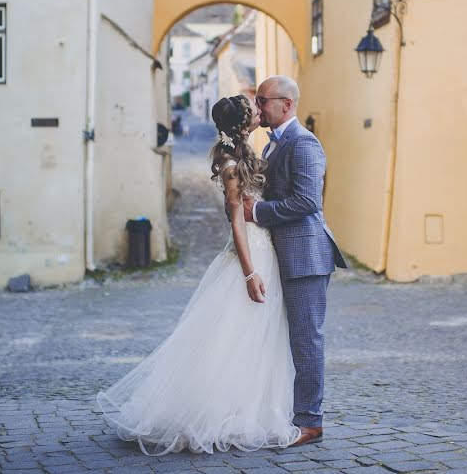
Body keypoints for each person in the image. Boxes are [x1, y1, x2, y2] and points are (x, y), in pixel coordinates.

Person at [97, 94, 301, 456]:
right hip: (251, 255)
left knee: (256, 339)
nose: (259, 108)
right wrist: (250, 272)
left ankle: (248, 408)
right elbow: (236, 219)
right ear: (243, 123)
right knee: (234, 335)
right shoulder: (229, 162)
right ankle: (222, 413)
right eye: (253, 108)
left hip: (266, 249)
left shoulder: (244, 153)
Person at [243, 75, 347, 446]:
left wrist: (257, 211)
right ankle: (289, 410)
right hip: (282, 254)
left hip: (305, 255)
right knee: (285, 339)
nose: (258, 109)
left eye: (263, 102)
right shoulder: (274, 144)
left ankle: (309, 421)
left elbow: (307, 202)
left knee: (306, 340)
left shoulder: (303, 143)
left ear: (286, 104)